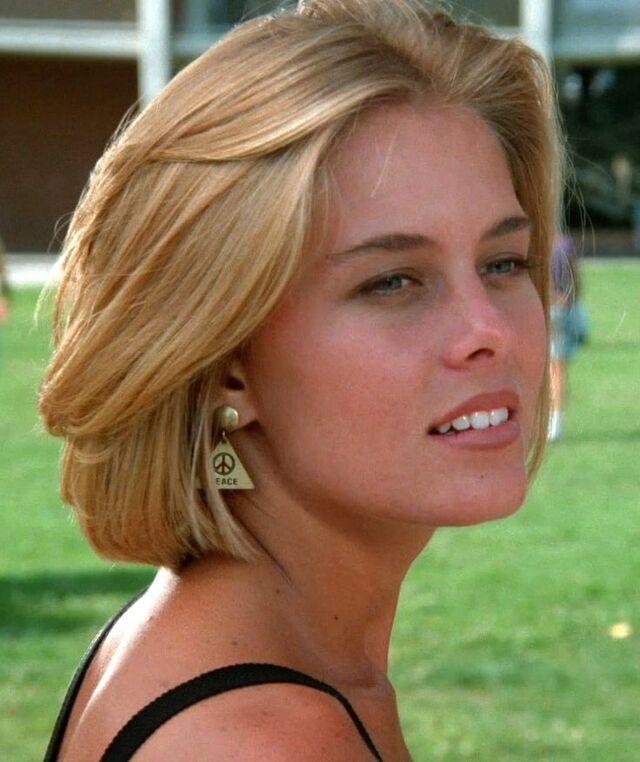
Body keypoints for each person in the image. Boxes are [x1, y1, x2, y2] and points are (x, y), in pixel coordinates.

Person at [39, 1, 565, 759]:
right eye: (392, 281)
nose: (489, 329)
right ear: (225, 366)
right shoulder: (262, 739)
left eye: (503, 262)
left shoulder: (228, 651)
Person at [548, 233, 589, 441]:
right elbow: (576, 277)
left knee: (554, 369)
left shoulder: (541, 243)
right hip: (561, 307)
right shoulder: (564, 243)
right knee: (556, 368)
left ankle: (554, 421)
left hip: (550, 308)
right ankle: (555, 419)